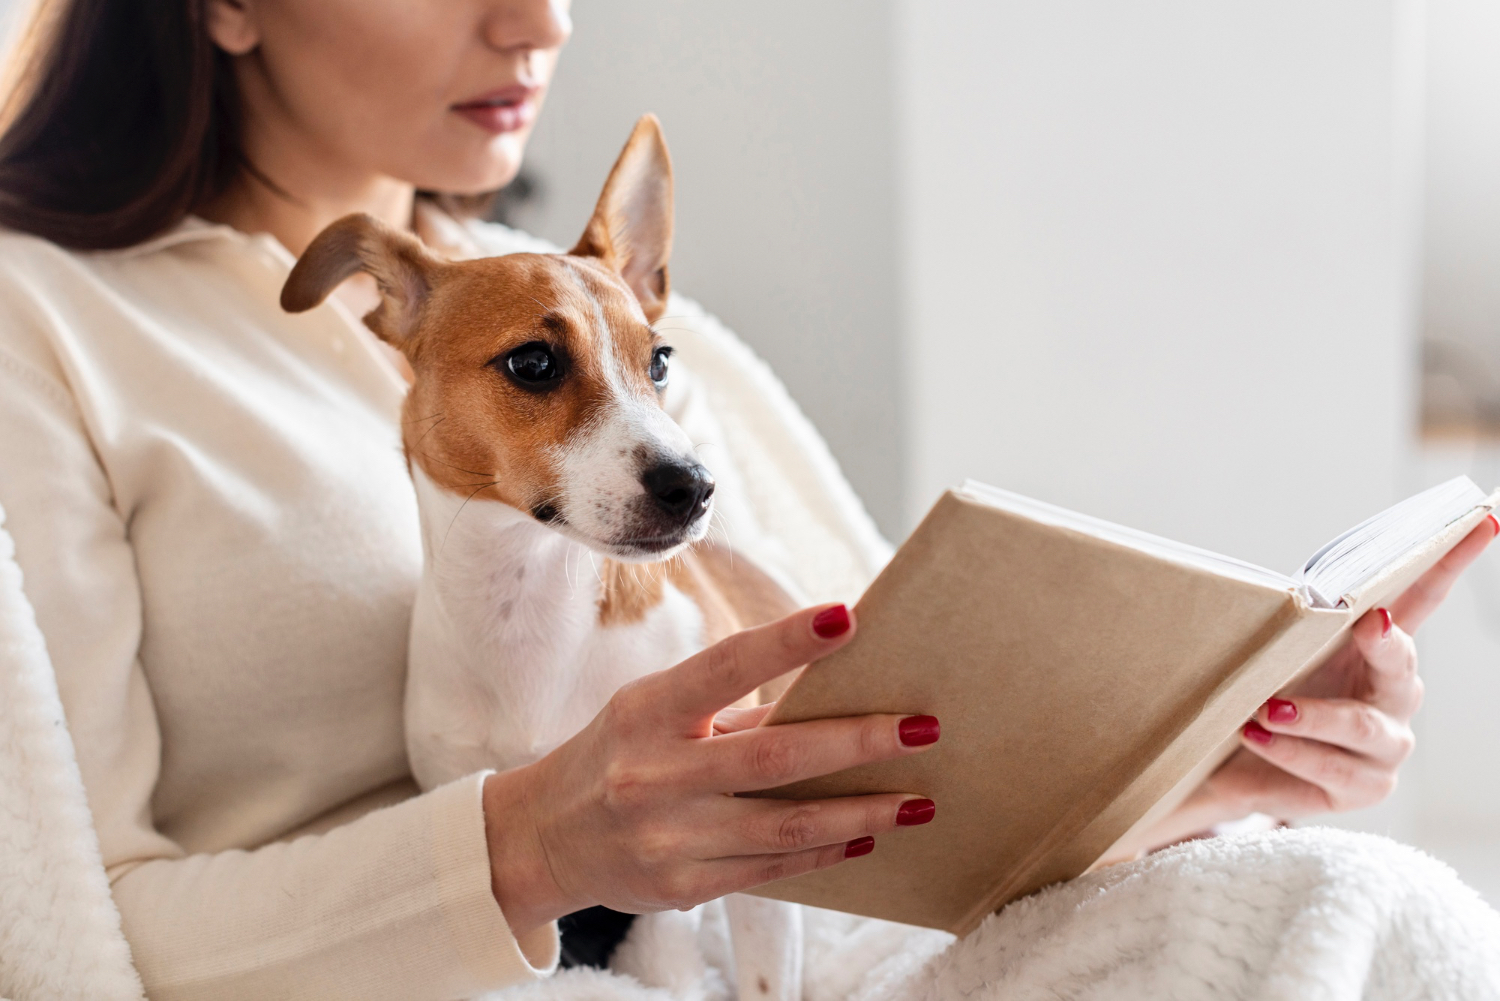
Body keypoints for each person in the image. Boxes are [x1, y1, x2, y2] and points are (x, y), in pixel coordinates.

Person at [0, 0, 1490, 997]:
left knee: (1355, 905)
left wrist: (1205, 770)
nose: (541, 20)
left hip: (799, 967)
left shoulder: (661, 355)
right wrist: (532, 843)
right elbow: (62, 941)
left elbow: (890, 810)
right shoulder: (47, 327)